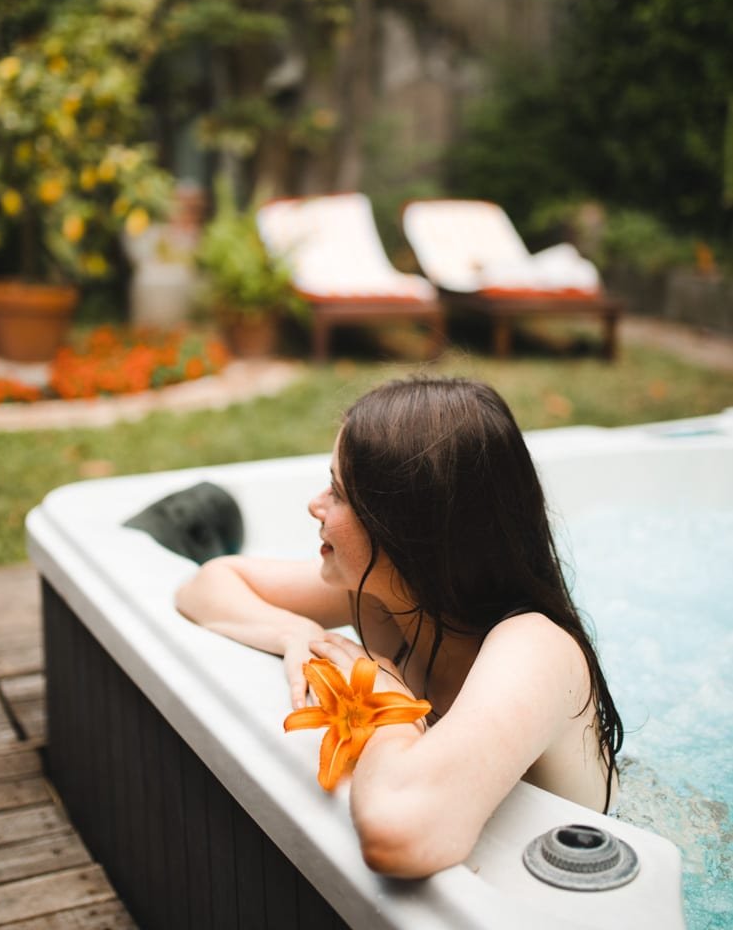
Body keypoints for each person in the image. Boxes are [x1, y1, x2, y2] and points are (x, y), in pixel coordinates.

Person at [175, 376, 623, 879]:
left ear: (408, 528)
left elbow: (397, 835)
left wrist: (386, 702)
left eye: (339, 492)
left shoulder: (535, 648)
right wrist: (295, 634)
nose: (315, 504)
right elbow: (209, 584)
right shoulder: (387, 598)